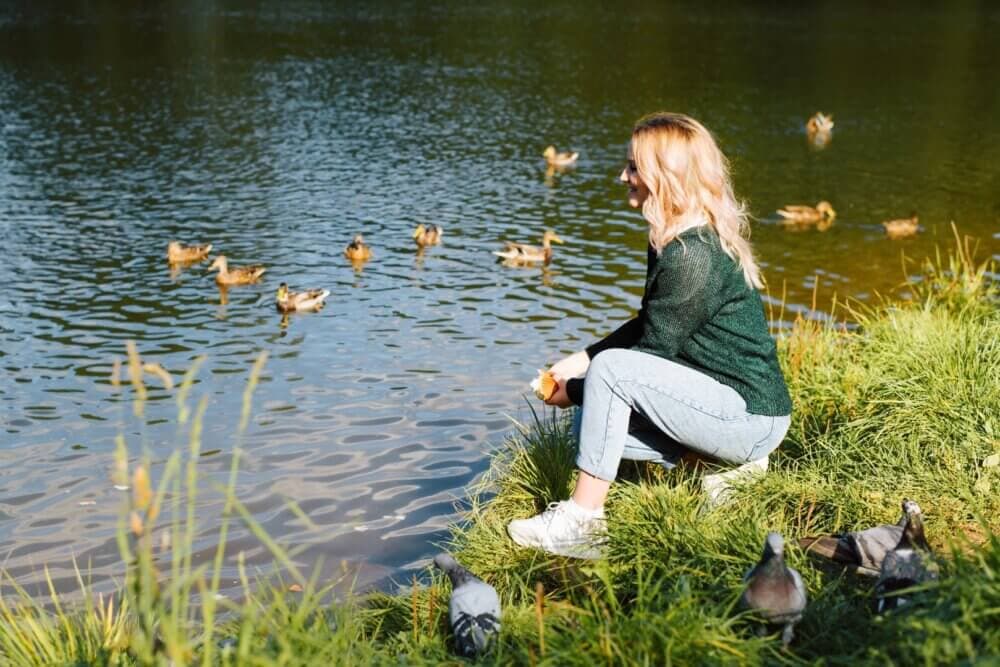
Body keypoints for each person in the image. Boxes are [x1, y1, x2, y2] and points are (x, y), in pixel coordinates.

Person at [507, 112, 792, 559]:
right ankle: (720, 463)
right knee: (591, 427)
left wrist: (576, 388)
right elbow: (649, 323)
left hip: (749, 415)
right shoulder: (671, 235)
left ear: (667, 175)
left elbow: (648, 356)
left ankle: (582, 523)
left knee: (608, 382)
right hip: (719, 402)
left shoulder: (692, 254)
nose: (623, 176)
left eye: (634, 167)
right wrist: (578, 361)